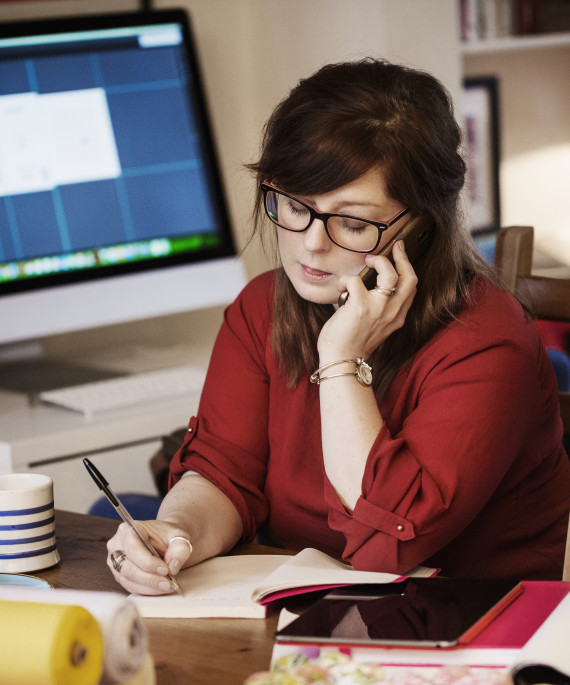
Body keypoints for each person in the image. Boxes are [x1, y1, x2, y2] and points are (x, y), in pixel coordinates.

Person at [107, 58, 570, 595]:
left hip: (465, 626)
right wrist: (176, 530)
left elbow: (388, 545)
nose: (311, 243)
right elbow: (223, 474)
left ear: (421, 230)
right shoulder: (261, 308)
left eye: (352, 222)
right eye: (293, 205)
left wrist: (340, 360)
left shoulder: (486, 342)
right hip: (306, 611)